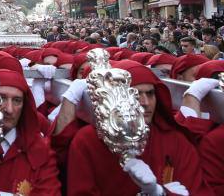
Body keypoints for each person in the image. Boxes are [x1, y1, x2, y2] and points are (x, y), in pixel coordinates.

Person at [66, 62, 209, 195]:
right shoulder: (86, 141)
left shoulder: (175, 140)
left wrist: (158, 192)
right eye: (135, 94)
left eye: (150, 93)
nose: (145, 103)